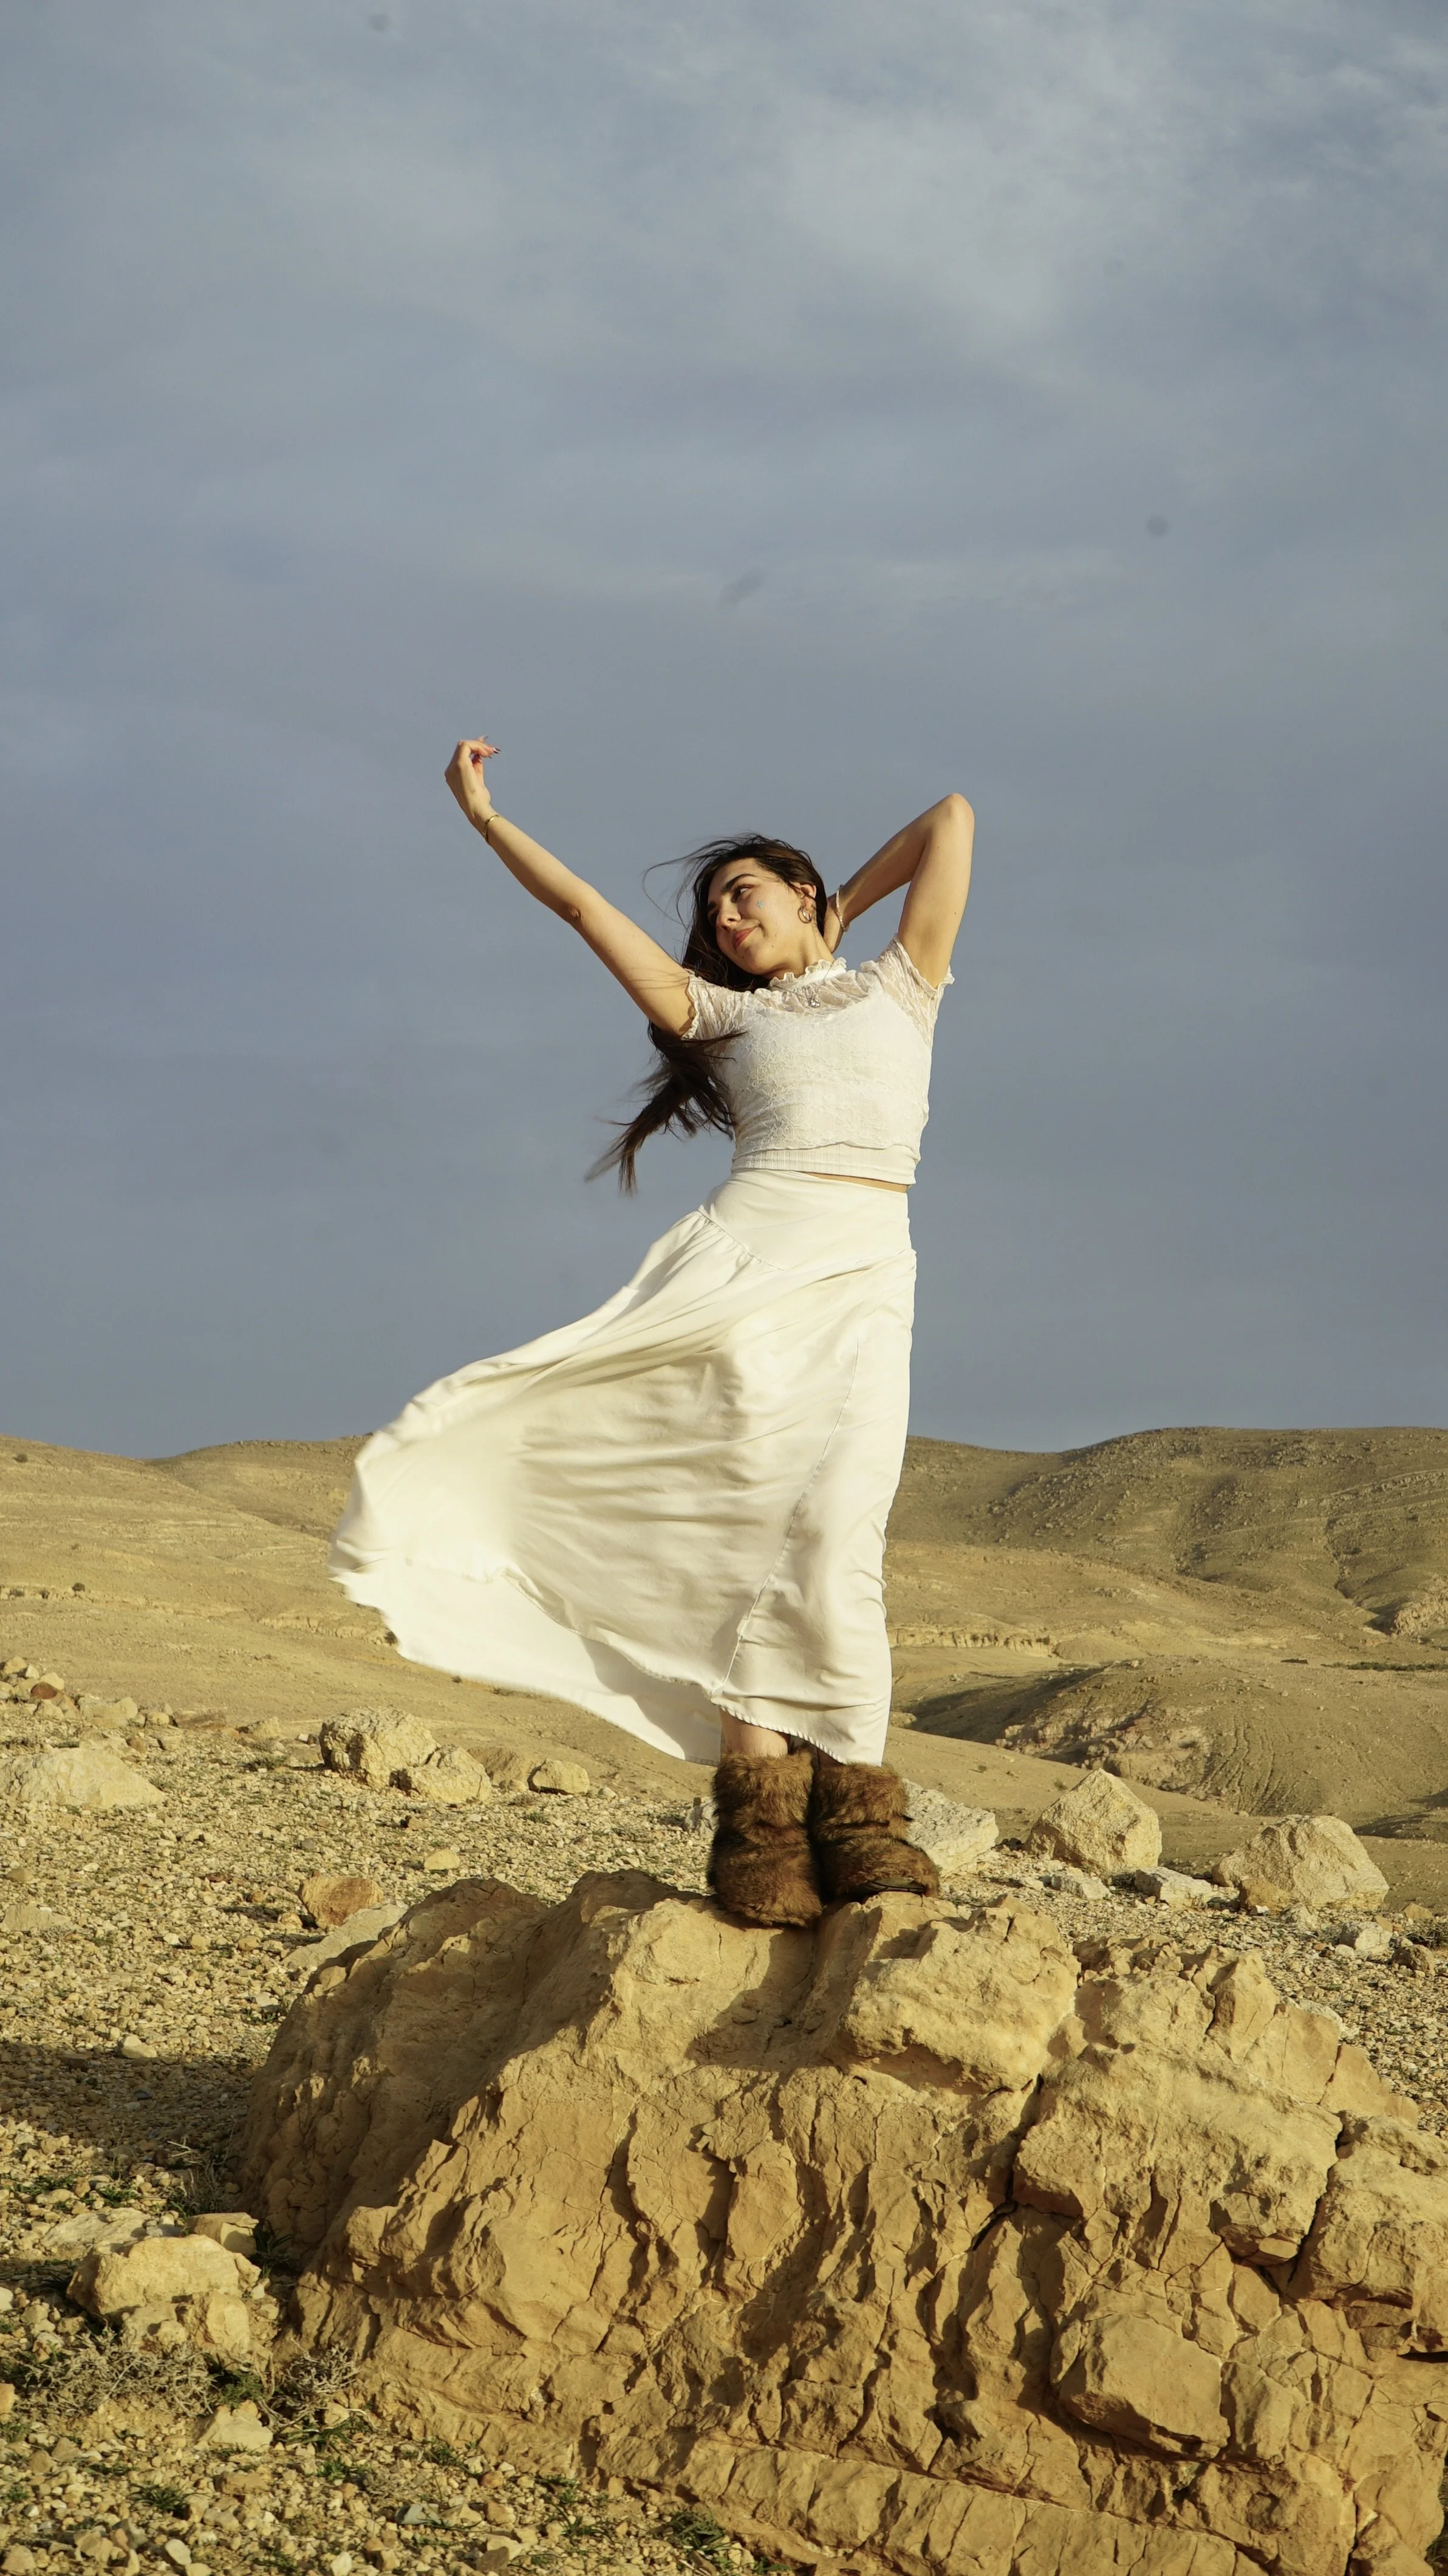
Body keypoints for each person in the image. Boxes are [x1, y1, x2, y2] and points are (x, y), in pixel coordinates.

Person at [329, 737, 974, 1930]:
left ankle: (859, 1822)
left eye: (745, 892)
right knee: (744, 1535)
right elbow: (579, 906)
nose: (725, 918)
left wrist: (847, 903)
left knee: (839, 1535)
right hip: (742, 1273)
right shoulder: (716, 1014)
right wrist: (485, 818)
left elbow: (950, 815)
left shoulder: (903, 982)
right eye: (713, 908)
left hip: (867, 1277)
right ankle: (764, 1843)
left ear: (800, 889)